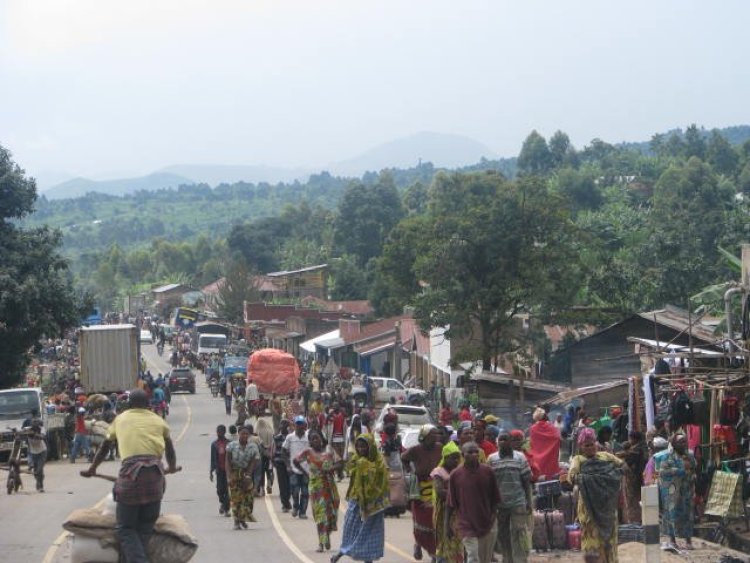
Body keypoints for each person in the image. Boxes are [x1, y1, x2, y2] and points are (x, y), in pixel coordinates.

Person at [81, 389, 178, 562]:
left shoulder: (121, 419)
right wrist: (171, 467)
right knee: (145, 528)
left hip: (130, 480)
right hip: (155, 480)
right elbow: (169, 447)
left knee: (125, 529)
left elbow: (105, 447)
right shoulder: (158, 420)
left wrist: (92, 469)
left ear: (129, 404)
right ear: (148, 404)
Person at [566, 427, 625, 563]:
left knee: (609, 540)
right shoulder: (578, 459)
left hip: (607, 507)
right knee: (592, 540)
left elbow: (623, 467)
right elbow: (572, 477)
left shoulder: (605, 456)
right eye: (587, 445)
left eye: (592, 444)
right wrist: (592, 478)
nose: (591, 448)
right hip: (588, 508)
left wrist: (612, 475)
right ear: (581, 447)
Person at [330, 434, 389, 563]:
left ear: (370, 447)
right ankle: (341, 553)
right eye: (358, 446)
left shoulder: (378, 462)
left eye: (364, 446)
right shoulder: (356, 459)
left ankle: (368, 560)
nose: (361, 449)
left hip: (373, 505)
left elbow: (382, 482)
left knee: (370, 533)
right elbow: (348, 470)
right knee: (350, 529)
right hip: (356, 500)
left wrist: (366, 467)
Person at [446, 442, 500, 563]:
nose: (474, 454)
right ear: (462, 455)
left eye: (476, 452)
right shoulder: (455, 475)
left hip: (487, 522)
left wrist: (493, 517)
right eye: (470, 452)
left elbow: (495, 498)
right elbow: (450, 504)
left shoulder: (488, 472)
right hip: (466, 524)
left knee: (485, 558)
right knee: (473, 556)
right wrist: (447, 526)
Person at [294, 429, 342, 552]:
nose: (316, 440)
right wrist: (306, 473)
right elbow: (296, 461)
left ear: (322, 439)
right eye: (313, 439)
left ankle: (327, 535)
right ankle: (321, 543)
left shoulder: (329, 450)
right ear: (310, 441)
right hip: (316, 488)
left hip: (330, 486)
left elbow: (340, 462)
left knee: (332, 513)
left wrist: (332, 468)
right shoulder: (308, 452)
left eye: (318, 438)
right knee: (320, 515)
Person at [488, 432, 532, 563]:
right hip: (500, 505)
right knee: (503, 534)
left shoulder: (520, 457)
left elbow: (526, 482)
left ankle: (520, 559)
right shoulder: (491, 459)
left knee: (519, 532)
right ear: (497, 442)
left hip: (518, 502)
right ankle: (507, 559)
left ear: (511, 442)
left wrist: (529, 502)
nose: (503, 442)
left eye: (505, 439)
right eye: (500, 439)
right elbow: (489, 484)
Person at [401, 424, 443, 561]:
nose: (435, 437)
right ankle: (418, 543)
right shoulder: (415, 449)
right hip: (420, 487)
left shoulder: (440, 448)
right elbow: (404, 458)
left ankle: (434, 552)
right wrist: (410, 472)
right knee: (420, 519)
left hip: (436, 484)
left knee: (436, 519)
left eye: (436, 434)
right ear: (424, 436)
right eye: (432, 434)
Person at [658, 433, 696, 551]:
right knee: (671, 515)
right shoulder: (668, 457)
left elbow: (694, 468)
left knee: (688, 515)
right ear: (674, 444)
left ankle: (688, 541)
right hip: (672, 492)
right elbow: (663, 472)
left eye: (685, 441)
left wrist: (692, 475)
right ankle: (673, 540)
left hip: (686, 490)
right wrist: (680, 471)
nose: (684, 444)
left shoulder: (689, 456)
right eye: (681, 442)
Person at [431, 441, 463, 563]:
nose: (455, 461)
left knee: (457, 539)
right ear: (445, 457)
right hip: (443, 511)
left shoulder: (460, 471)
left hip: (458, 510)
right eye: (452, 458)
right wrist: (457, 495)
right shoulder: (438, 472)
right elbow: (439, 492)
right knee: (444, 537)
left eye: (457, 458)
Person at [226, 425, 260, 530]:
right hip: (235, 473)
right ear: (238, 434)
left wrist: (249, 474)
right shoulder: (231, 446)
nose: (244, 435)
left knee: (248, 498)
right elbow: (227, 461)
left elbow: (255, 460)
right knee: (236, 499)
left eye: (246, 434)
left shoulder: (253, 446)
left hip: (247, 473)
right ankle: (237, 521)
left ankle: (243, 518)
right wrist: (229, 475)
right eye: (242, 433)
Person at [283, 415, 310, 518]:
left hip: (305, 469)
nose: (299, 426)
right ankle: (295, 506)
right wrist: (288, 465)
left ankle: (302, 512)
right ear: (294, 425)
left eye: (301, 424)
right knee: (295, 491)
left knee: (305, 492)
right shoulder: (290, 437)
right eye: (297, 424)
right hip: (294, 469)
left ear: (304, 425)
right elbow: (283, 451)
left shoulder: (308, 437)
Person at [617, 431, 647, 524]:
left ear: (634, 439)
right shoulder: (641, 448)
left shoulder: (636, 450)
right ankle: (638, 519)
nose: (629, 441)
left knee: (632, 499)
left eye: (630, 438)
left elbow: (624, 456)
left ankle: (635, 520)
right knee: (637, 498)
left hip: (633, 479)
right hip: (639, 478)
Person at [529, 408, 560, 480]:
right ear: (544, 416)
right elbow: (557, 438)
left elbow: (531, 443)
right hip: (550, 458)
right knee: (551, 478)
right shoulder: (552, 427)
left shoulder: (532, 428)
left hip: (537, 459)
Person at [210, 424, 230, 517]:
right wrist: (211, 471)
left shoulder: (229, 443)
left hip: (228, 470)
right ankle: (222, 503)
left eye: (220, 432)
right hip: (219, 470)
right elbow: (212, 458)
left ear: (224, 432)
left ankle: (226, 508)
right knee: (219, 490)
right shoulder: (214, 444)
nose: (218, 433)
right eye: (217, 432)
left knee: (227, 489)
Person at [272, 419, 293, 512]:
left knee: (289, 484)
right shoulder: (276, 437)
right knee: (282, 484)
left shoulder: (291, 437)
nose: (283, 426)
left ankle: (287, 500)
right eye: (281, 424)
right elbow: (273, 450)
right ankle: (284, 504)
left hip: (289, 463)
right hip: (279, 463)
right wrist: (273, 462)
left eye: (285, 424)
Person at [255, 417, 275, 495]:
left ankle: (262, 489)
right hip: (270, 454)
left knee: (261, 471)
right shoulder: (270, 431)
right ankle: (269, 483)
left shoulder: (258, 431)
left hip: (261, 454)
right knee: (270, 469)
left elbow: (259, 443)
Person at [27, 418, 48, 492]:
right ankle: (38, 482)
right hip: (33, 453)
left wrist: (36, 435)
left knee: (39, 469)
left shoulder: (41, 429)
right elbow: (20, 434)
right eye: (33, 424)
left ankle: (40, 486)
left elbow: (43, 436)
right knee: (36, 471)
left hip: (42, 451)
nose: (35, 425)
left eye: (36, 424)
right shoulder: (28, 430)